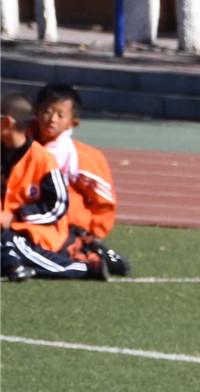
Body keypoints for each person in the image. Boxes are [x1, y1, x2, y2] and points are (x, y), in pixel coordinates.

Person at [2, 83, 129, 281]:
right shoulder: (16, 140)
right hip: (22, 219)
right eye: (47, 111)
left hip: (54, 224)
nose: (51, 119)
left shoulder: (80, 156)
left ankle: (85, 251)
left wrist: (87, 231)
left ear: (72, 123)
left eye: (60, 115)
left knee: (15, 244)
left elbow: (102, 204)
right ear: (36, 111)